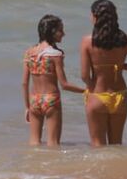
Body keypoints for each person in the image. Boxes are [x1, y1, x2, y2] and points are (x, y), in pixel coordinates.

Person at [80, 0, 127, 146]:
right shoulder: (125, 40)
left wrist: (91, 89)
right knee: (116, 145)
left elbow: (84, 76)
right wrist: (122, 66)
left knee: (98, 146)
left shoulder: (87, 41)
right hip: (119, 96)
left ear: (95, 16)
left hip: (98, 96)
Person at [22, 14, 84, 147]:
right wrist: (86, 91)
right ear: (52, 32)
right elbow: (65, 85)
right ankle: (52, 168)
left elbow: (24, 83)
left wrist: (27, 107)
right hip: (51, 99)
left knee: (33, 143)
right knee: (53, 144)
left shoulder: (29, 53)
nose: (64, 33)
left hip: (34, 100)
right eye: (61, 30)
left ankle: (33, 167)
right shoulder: (56, 54)